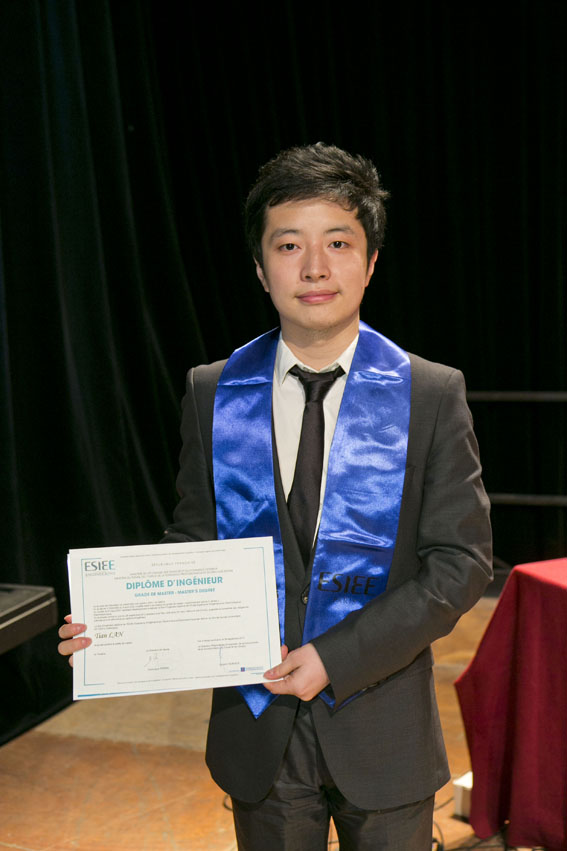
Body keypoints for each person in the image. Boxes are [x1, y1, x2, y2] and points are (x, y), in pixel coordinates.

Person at [59, 143, 492, 850]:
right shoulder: (212, 391)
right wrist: (117, 621)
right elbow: (197, 538)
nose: (314, 267)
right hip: (258, 726)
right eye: (289, 245)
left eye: (338, 243)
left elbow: (459, 564)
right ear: (261, 268)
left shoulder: (430, 393)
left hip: (381, 726)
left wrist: (335, 658)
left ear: (370, 262)